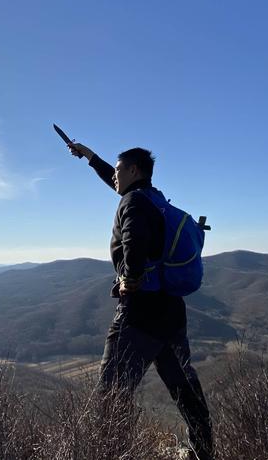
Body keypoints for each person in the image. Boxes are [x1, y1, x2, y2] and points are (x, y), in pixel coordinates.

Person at [68, 142, 214, 460]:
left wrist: (129, 279)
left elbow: (133, 240)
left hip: (139, 314)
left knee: (112, 393)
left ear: (134, 170)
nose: (114, 176)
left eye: (119, 170)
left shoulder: (133, 203)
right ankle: (204, 450)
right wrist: (90, 157)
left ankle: (107, 453)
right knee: (184, 386)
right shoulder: (155, 199)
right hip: (170, 310)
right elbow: (118, 185)